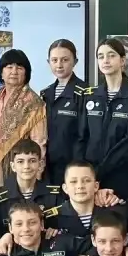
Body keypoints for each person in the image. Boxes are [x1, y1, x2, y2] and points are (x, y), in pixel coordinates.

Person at [76, 37, 128, 201]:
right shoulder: (89, 96)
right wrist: (85, 171)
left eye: (111, 55)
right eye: (101, 56)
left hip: (120, 174)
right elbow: (81, 137)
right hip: (90, 175)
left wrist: (100, 171)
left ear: (122, 61)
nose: (105, 60)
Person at [0, 49, 47, 191]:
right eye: (9, 67)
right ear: (1, 72)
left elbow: (39, 142)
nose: (14, 71)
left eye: (19, 67)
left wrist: (36, 176)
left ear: (26, 73)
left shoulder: (34, 103)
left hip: (22, 171)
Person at [0, 139, 63, 239]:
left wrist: (57, 232)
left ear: (40, 164)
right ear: (13, 166)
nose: (26, 166)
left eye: (32, 161)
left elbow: (66, 226)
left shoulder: (55, 195)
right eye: (20, 161)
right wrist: (5, 237)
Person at [43, 159, 128, 238]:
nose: (80, 186)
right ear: (65, 188)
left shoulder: (114, 212)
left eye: (86, 180)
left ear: (96, 186)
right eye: (73, 181)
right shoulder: (52, 219)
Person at [40, 39, 85, 186]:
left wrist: (78, 165)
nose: (59, 65)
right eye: (54, 60)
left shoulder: (85, 93)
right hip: (47, 166)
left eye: (65, 60)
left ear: (75, 61)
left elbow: (85, 135)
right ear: (49, 62)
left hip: (72, 166)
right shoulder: (45, 94)